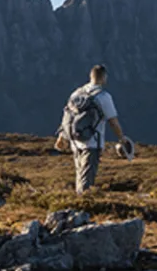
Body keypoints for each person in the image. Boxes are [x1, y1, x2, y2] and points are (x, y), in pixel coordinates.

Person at [54, 64, 134, 193]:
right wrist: (121, 138)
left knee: (79, 175)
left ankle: (77, 203)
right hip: (91, 142)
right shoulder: (103, 96)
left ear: (90, 76)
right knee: (87, 179)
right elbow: (113, 121)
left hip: (75, 141)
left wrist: (62, 137)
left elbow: (68, 116)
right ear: (104, 78)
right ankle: (82, 206)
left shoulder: (76, 93)